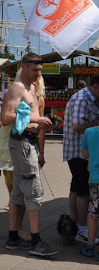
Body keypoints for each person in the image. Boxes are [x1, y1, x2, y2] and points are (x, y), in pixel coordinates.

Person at [2, 53, 56, 256]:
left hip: (27, 142)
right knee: (33, 191)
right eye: (35, 70)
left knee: (17, 192)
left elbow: (27, 116)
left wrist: (39, 123)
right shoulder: (17, 87)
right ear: (24, 67)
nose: (38, 74)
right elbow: (6, 117)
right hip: (23, 143)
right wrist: (38, 119)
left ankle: (13, 237)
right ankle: (36, 241)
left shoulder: (31, 87)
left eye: (40, 70)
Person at [64, 75, 99, 244]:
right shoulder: (81, 98)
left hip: (82, 151)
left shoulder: (89, 98)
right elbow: (77, 126)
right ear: (96, 87)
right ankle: (83, 229)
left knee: (76, 188)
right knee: (83, 191)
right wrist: (97, 123)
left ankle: (75, 225)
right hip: (78, 151)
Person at [78, 122, 99, 258]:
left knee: (93, 213)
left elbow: (85, 155)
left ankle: (90, 246)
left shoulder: (89, 132)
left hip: (95, 179)